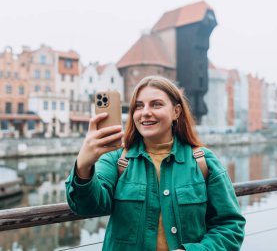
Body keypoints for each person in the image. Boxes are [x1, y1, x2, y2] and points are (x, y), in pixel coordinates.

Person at [65, 75, 245, 251]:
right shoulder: (115, 159)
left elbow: (230, 225)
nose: (145, 112)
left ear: (176, 111)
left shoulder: (204, 161)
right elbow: (87, 207)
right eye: (138, 106)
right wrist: (83, 166)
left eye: (156, 104)